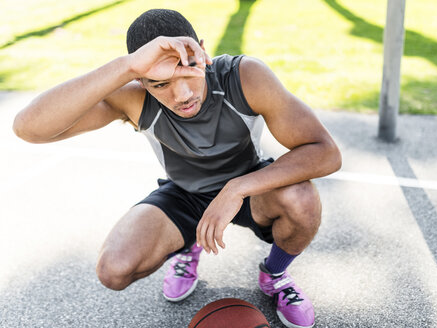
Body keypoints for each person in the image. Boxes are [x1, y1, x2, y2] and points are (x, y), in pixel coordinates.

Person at [12, 9, 341, 328]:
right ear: (140, 80)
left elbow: (325, 152)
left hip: (251, 187)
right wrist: (125, 66)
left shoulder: (244, 77)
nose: (182, 94)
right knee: (113, 270)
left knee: (301, 198)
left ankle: (274, 276)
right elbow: (29, 128)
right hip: (185, 194)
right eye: (160, 83)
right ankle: (188, 245)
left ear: (203, 50)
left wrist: (237, 188)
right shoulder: (133, 97)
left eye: (188, 69)